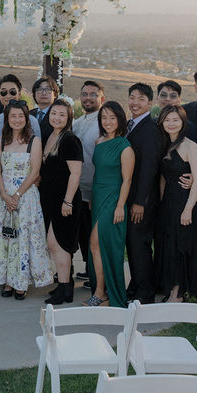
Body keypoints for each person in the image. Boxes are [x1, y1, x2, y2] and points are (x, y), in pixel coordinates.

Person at [0, 100, 51, 298]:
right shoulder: (0, 140)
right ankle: (6, 280)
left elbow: (35, 172)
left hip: (25, 196)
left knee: (22, 239)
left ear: (26, 118)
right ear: (7, 118)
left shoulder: (34, 141)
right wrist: (5, 194)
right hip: (2, 197)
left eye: (20, 116)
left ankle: (21, 282)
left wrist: (16, 195)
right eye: (12, 116)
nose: (16, 120)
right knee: (6, 237)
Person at [85, 101, 134, 307]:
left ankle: (101, 293)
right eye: (104, 117)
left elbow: (127, 180)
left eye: (112, 117)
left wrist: (120, 205)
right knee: (96, 246)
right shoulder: (99, 141)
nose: (108, 121)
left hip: (114, 198)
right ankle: (102, 290)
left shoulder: (125, 146)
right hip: (98, 196)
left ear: (120, 119)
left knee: (98, 243)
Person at [154, 105, 197, 303]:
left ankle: (179, 293)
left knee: (180, 246)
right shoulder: (165, 143)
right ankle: (169, 288)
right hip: (168, 203)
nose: (171, 124)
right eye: (167, 120)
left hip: (185, 202)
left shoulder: (189, 145)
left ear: (183, 122)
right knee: (168, 246)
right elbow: (163, 178)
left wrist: (188, 209)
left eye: (175, 120)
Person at [39, 99, 83, 305]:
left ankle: (65, 288)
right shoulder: (51, 136)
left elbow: (75, 174)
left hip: (65, 200)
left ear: (69, 118)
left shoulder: (70, 140)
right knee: (54, 243)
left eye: (62, 115)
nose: (56, 117)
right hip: (50, 199)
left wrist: (68, 201)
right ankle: (65, 287)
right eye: (54, 113)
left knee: (59, 245)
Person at [125, 82, 162, 304]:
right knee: (132, 245)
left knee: (139, 245)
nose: (135, 102)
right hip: (130, 196)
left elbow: (149, 168)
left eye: (141, 99)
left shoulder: (151, 129)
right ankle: (136, 285)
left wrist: (140, 202)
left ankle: (145, 293)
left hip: (142, 200)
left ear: (150, 103)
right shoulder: (130, 125)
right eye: (132, 97)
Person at [72, 80, 104, 280]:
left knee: (95, 236)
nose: (88, 98)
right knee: (82, 231)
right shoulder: (76, 122)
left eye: (93, 94)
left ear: (102, 98)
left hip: (96, 189)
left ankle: (96, 274)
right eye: (85, 94)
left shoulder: (104, 123)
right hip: (77, 189)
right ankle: (87, 268)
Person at [0, 74, 42, 144]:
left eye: (12, 91)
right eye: (4, 92)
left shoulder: (32, 121)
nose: (8, 95)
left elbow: (37, 147)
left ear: (19, 94)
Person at [29, 77, 59, 143]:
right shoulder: (28, 114)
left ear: (55, 94)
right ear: (34, 94)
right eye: (40, 89)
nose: (44, 93)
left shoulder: (59, 116)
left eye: (48, 89)